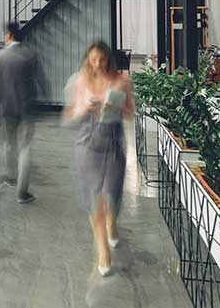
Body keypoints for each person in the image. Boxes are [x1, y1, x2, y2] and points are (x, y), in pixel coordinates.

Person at [64, 41, 134, 277]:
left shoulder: (121, 81)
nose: (97, 64)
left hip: (113, 144)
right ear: (87, 59)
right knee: (95, 199)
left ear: (108, 59)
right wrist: (86, 107)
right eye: (93, 59)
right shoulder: (80, 81)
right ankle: (102, 249)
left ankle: (112, 223)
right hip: (87, 144)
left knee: (112, 194)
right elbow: (70, 115)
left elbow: (130, 113)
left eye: (101, 59)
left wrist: (114, 105)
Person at [0, 21, 42, 204]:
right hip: (27, 108)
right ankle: (22, 192)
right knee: (25, 147)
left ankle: (11, 177)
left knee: (9, 144)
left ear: (8, 34)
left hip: (7, 108)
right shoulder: (30, 55)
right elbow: (40, 82)